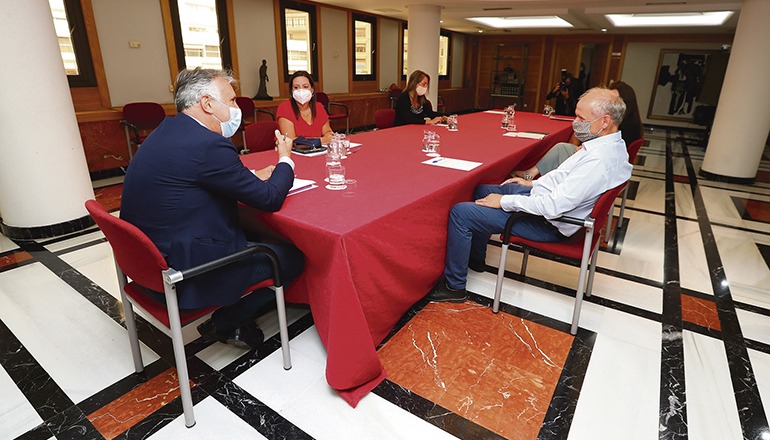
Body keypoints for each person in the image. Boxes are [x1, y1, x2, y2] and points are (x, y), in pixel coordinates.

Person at [120, 68, 305, 349]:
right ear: (207, 103)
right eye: (231, 101)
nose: (236, 108)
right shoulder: (208, 145)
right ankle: (230, 318)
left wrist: (250, 177)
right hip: (184, 274)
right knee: (292, 255)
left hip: (145, 265)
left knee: (253, 230)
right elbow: (270, 199)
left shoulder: (168, 130)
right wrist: (285, 161)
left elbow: (193, 176)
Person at [427, 87, 632, 302]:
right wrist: (530, 183)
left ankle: (454, 286)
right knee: (483, 190)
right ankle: (476, 259)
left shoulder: (598, 160)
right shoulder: (611, 146)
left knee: (461, 213)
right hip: (546, 201)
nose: (575, 122)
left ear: (604, 121)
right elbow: (561, 177)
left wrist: (504, 201)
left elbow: (553, 207)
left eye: (581, 117)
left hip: (550, 221)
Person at [513, 80, 643, 181]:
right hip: (596, 156)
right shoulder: (624, 122)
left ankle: (546, 180)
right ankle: (532, 174)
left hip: (597, 166)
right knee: (562, 148)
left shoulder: (624, 127)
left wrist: (588, 148)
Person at [276, 71, 333, 144]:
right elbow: (291, 141)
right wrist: (321, 140)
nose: (301, 90)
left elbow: (328, 133)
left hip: (318, 152)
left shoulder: (318, 107)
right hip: (293, 153)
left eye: (305, 87)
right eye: (296, 87)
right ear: (291, 91)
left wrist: (323, 139)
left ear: (312, 90)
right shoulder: (285, 107)